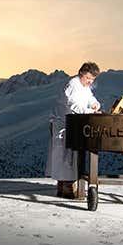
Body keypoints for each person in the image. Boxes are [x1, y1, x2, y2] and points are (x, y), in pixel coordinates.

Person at [45, 61, 101, 198]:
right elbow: (74, 105)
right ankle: (67, 188)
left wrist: (94, 103)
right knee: (64, 157)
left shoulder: (84, 86)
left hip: (72, 124)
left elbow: (90, 97)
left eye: (92, 79)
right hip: (63, 124)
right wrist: (90, 112)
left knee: (68, 157)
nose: (90, 81)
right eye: (88, 78)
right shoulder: (73, 84)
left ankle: (64, 188)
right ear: (81, 73)